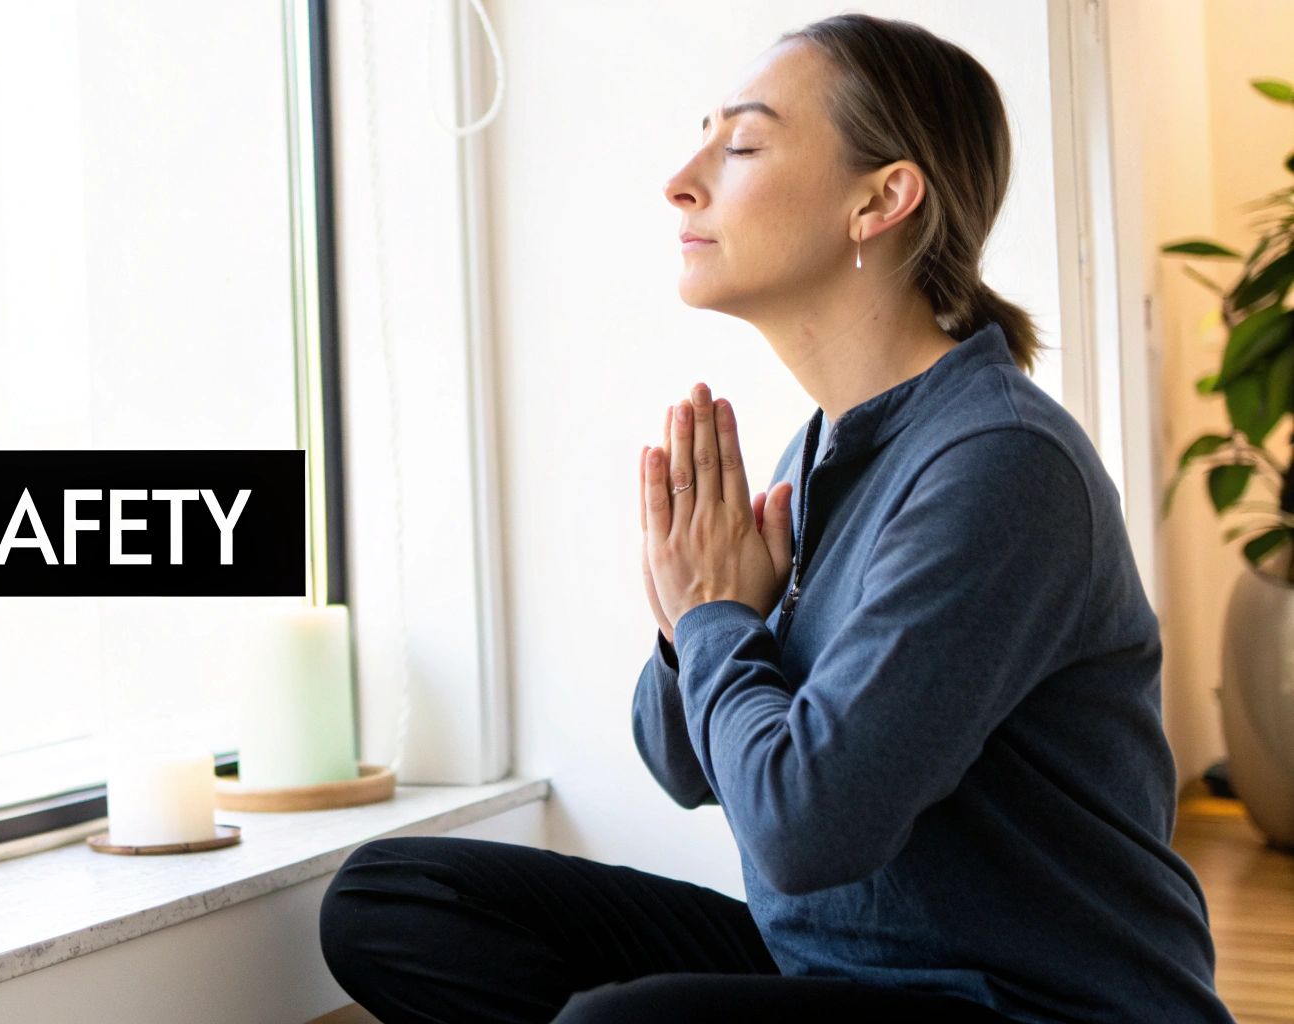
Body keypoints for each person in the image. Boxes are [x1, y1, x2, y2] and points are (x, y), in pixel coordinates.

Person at [317, 11, 1238, 1024]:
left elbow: (802, 828)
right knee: (389, 900)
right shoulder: (823, 451)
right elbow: (679, 760)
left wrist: (713, 619)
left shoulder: (998, 464)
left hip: (1028, 1003)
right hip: (836, 967)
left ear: (880, 199)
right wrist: (690, 623)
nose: (681, 177)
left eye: (742, 143)